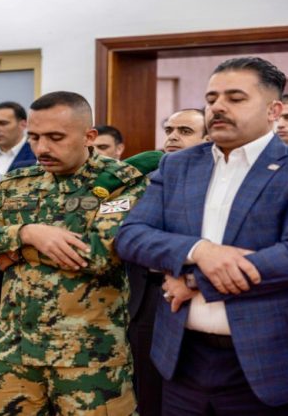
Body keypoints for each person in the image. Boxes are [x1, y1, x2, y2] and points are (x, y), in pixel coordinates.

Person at [0, 91, 148, 415]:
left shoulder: (121, 183)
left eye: (55, 138)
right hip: (14, 351)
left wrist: (13, 251)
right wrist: (26, 234)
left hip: (89, 356)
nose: (42, 148)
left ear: (89, 137)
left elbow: (98, 254)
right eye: (34, 137)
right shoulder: (18, 182)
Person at [116, 57, 288, 414]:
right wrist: (200, 250)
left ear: (274, 110)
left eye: (235, 98)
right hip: (182, 358)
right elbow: (131, 235)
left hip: (263, 360)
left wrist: (195, 282)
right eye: (211, 99)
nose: (218, 107)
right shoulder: (177, 165)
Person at [127, 108, 209, 416]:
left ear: (208, 139)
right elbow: (130, 238)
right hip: (150, 294)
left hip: (206, 295)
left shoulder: (221, 184)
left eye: (185, 131)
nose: (173, 137)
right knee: (149, 394)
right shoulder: (146, 181)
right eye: (169, 130)